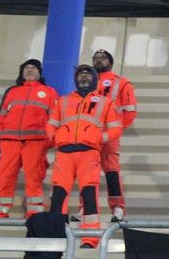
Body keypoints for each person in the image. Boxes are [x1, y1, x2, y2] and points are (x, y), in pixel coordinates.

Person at [46, 65, 120, 248]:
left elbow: (116, 128)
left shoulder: (105, 102)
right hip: (64, 153)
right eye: (81, 75)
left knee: (89, 195)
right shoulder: (63, 101)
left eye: (88, 74)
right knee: (58, 196)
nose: (84, 77)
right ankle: (55, 234)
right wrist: (55, 137)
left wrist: (99, 138)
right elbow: (51, 124)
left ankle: (90, 238)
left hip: (89, 153)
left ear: (95, 79)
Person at [0, 59, 58, 218]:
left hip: (35, 140)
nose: (29, 70)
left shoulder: (49, 92)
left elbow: (54, 118)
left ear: (39, 73)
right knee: (4, 176)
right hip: (9, 140)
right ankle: (1, 211)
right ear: (22, 72)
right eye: (26, 68)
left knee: (34, 177)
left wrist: (49, 141)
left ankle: (34, 213)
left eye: (33, 68)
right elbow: (1, 116)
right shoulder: (12, 91)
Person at [91, 49, 137, 220]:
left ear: (110, 63)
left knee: (111, 171)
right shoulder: (87, 81)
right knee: (88, 173)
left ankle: (118, 207)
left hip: (109, 136)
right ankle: (86, 208)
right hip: (89, 135)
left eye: (103, 58)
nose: (99, 60)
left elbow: (130, 111)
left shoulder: (121, 83)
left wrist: (116, 129)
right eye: (96, 58)